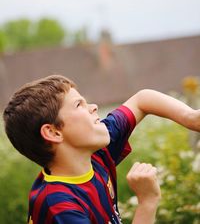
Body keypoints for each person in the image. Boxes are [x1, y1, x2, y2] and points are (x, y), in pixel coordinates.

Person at [3, 75, 200, 224]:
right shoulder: (59, 206)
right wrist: (147, 202)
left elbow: (142, 100)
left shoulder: (94, 156)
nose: (94, 107)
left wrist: (190, 118)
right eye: (79, 104)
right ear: (53, 133)